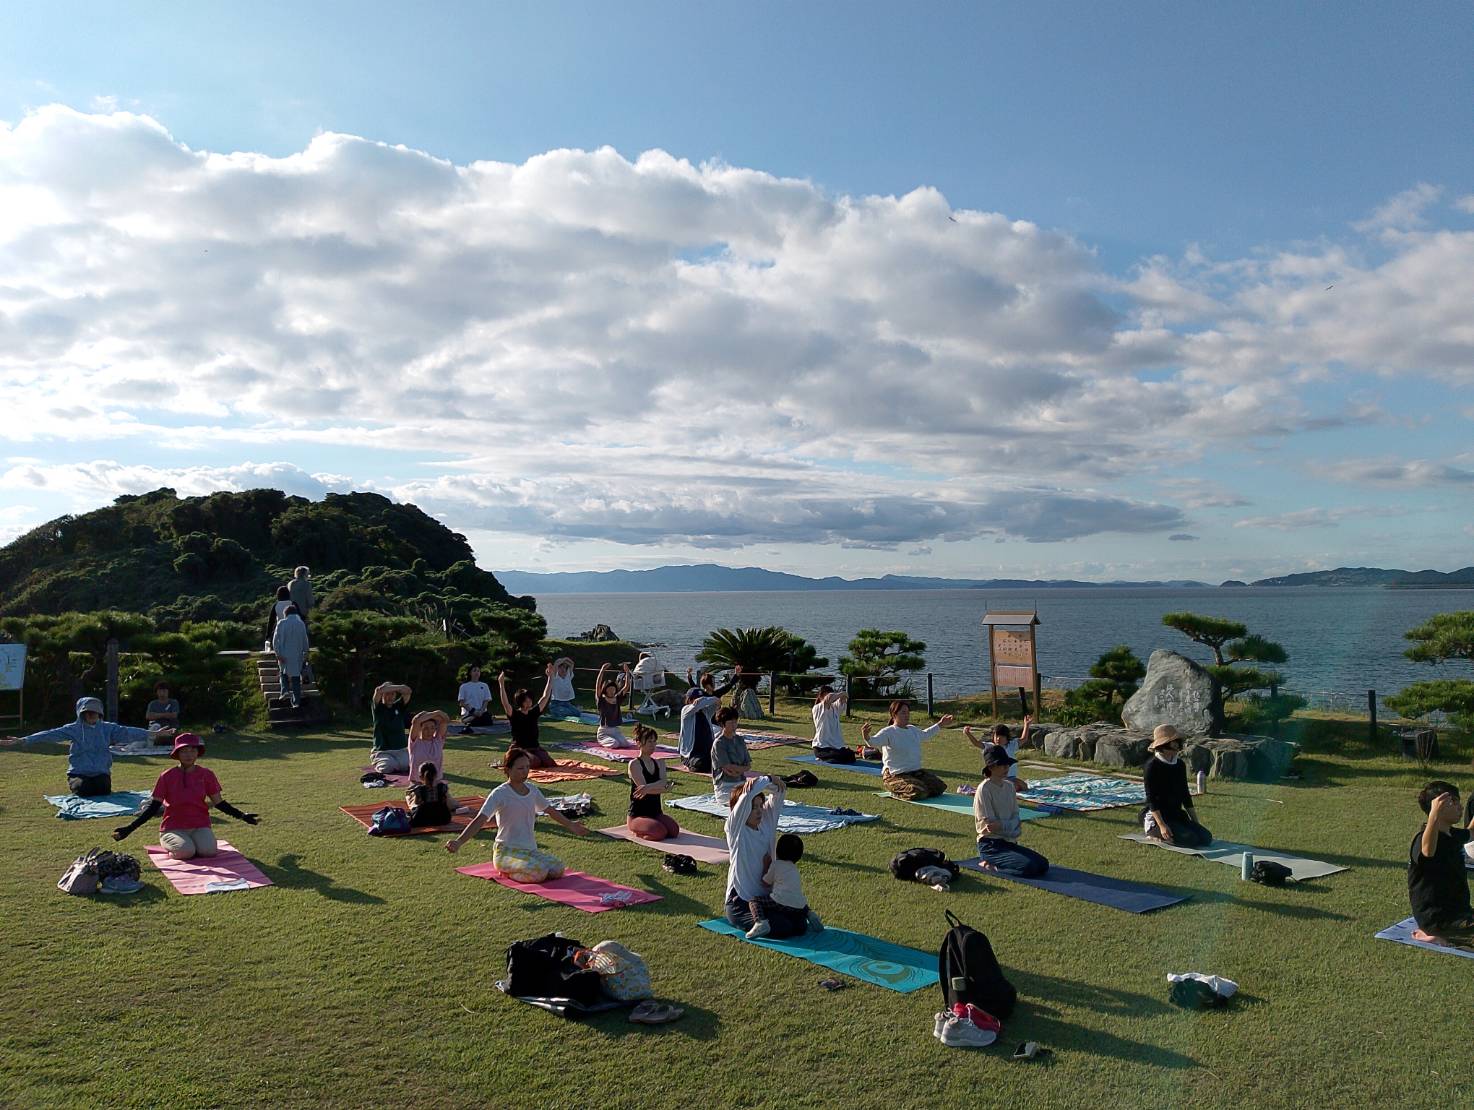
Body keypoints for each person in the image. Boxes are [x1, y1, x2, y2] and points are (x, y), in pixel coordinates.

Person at [446, 748, 590, 881]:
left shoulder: (532, 790)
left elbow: (550, 811)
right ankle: (508, 871)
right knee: (540, 872)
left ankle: (524, 869)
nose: (525, 772)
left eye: (527, 767)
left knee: (558, 869)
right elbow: (480, 820)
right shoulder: (499, 794)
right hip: (505, 852)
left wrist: (571, 825)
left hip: (529, 850)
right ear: (508, 769)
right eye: (520, 768)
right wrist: (459, 842)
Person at [111, 733, 260, 859]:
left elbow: (219, 803)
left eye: (192, 750)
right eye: (184, 751)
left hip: (199, 824)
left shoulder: (207, 774)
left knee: (209, 852)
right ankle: (171, 841)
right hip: (173, 827)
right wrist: (129, 828)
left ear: (197, 753)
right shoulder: (167, 776)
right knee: (186, 852)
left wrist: (242, 816)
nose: (189, 755)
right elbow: (153, 807)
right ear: (177, 754)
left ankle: (190, 843)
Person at [1, 696, 152, 796]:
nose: (91, 715)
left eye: (94, 713)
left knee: (103, 789)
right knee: (84, 789)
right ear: (82, 714)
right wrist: (23, 740)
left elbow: (128, 731)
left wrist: (152, 733)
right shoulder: (73, 729)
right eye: (88, 712)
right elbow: (49, 734)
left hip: (100, 772)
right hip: (79, 772)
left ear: (99, 714)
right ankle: (77, 783)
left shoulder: (107, 728)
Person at [723, 776, 810, 939]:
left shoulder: (766, 824)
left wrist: (773, 781)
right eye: (753, 807)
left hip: (765, 901)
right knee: (783, 927)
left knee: (800, 925)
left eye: (760, 806)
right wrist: (766, 778)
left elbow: (780, 791)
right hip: (741, 903)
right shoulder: (736, 830)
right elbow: (747, 794)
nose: (759, 811)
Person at [1408, 780, 1474, 946]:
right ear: (1438, 806)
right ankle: (1434, 936)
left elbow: (1471, 833)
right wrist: (1434, 815)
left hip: (1461, 914)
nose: (1460, 807)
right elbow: (1428, 851)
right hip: (1439, 920)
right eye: (1454, 802)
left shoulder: (1452, 834)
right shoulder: (1423, 839)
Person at [972, 744, 1048, 877]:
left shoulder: (1009, 786)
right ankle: (992, 866)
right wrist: (1010, 826)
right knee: (1029, 867)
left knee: (1043, 864)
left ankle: (1004, 861)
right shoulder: (984, 789)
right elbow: (991, 826)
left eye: (1007, 764)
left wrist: (1006, 826)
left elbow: (1015, 817)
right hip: (991, 845)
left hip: (1009, 841)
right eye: (1002, 765)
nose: (1006, 768)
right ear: (991, 767)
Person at [862, 702, 956, 801]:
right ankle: (896, 791)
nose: (906, 715)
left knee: (939, 787)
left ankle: (918, 786)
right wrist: (866, 736)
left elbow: (926, 734)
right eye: (903, 713)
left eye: (908, 712)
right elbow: (873, 742)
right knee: (919, 792)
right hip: (895, 775)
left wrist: (940, 724)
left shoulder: (912, 729)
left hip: (915, 773)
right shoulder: (888, 732)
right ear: (894, 715)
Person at [1142, 724, 1212, 847]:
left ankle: (1178, 829)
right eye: (1173, 743)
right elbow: (1151, 798)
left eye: (1177, 742)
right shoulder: (1152, 766)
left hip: (1176, 814)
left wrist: (1195, 822)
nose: (1177, 746)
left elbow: (1185, 794)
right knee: (1190, 840)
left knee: (1206, 838)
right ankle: (1153, 832)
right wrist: (1162, 826)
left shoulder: (1179, 764)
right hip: (1159, 817)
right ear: (1162, 746)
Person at [747, 832, 822, 938]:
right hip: (799, 905)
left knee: (754, 901)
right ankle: (810, 914)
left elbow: (765, 883)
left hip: (780, 901)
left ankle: (760, 922)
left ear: (777, 852)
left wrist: (765, 866)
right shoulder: (794, 868)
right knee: (799, 902)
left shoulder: (776, 865)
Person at [627, 724, 680, 841]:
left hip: (656, 813)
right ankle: (638, 832)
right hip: (637, 815)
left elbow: (662, 782)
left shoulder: (660, 763)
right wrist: (663, 789)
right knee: (660, 833)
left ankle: (651, 826)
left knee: (674, 831)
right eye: (649, 742)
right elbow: (643, 790)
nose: (653, 745)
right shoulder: (634, 764)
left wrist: (649, 787)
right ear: (639, 743)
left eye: (654, 741)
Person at [499, 666, 556, 769]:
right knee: (535, 762)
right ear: (520, 702)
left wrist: (550, 677)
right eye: (526, 701)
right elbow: (505, 703)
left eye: (530, 700)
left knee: (548, 762)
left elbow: (545, 697)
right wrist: (501, 684)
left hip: (534, 747)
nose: (529, 702)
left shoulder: (533, 712)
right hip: (519, 749)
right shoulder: (514, 714)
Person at [963, 715, 1026, 781]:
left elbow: (1023, 739)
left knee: (1022, 784)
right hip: (996, 778)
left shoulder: (1011, 745)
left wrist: (1026, 724)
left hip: (1011, 777)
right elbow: (976, 743)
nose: (998, 738)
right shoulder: (990, 747)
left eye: (1001, 736)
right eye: (997, 736)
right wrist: (968, 733)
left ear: (1007, 737)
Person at [270, 604, 310, 709]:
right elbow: (305, 639)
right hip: (297, 654)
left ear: (285, 614)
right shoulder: (301, 624)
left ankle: (285, 691)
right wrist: (306, 652)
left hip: (284, 653)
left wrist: (277, 653)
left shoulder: (281, 623)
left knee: (283, 673)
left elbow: (275, 640)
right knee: (296, 678)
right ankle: (296, 702)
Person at [711, 706, 751, 803]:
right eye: (731, 723)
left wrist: (738, 771)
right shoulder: (719, 743)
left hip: (741, 782)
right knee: (740, 801)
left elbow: (748, 765)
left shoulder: (740, 740)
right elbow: (727, 767)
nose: (734, 725)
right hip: (725, 786)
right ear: (723, 724)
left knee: (755, 799)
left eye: (735, 722)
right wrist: (739, 770)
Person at [370, 682, 413, 774]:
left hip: (400, 750)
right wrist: (391, 688)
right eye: (387, 694)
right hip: (383, 751)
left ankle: (396, 763)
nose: (390, 697)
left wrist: (396, 687)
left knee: (407, 765)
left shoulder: (399, 706)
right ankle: (381, 760)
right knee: (387, 767)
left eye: (392, 694)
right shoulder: (378, 708)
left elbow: (408, 691)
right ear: (383, 695)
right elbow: (378, 690)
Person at [593, 662, 634, 749]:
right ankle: (601, 740)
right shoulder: (601, 700)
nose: (612, 691)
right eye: (609, 689)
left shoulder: (617, 698)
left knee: (625, 744)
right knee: (614, 744)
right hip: (604, 730)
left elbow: (626, 686)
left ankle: (615, 739)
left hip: (615, 730)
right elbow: (597, 686)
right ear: (605, 690)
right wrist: (602, 670)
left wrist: (627, 672)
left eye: (613, 689)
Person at [679, 687, 720, 772]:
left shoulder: (706, 711)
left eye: (699, 699)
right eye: (695, 699)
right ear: (689, 700)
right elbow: (697, 706)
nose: (698, 701)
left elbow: (717, 701)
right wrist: (702, 700)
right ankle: (689, 764)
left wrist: (703, 699)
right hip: (692, 754)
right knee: (701, 764)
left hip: (707, 751)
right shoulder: (685, 710)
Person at [407, 709, 451, 785]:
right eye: (426, 728)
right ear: (420, 729)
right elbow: (416, 721)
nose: (429, 731)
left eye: (432, 728)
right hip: (417, 783)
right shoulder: (414, 742)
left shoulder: (438, 741)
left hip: (436, 782)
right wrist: (435, 713)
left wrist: (437, 712)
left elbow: (445, 720)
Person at [406, 761, 454, 828]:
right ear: (436, 775)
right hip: (442, 818)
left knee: (412, 813)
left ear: (421, 777)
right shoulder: (443, 787)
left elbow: (417, 803)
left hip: (424, 818)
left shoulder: (419, 789)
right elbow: (445, 800)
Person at [810, 685, 852, 763]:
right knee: (838, 756)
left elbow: (843, 699)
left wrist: (843, 694)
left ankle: (827, 757)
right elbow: (829, 698)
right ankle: (822, 758)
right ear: (822, 695)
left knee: (850, 755)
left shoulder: (835, 708)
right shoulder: (818, 708)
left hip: (835, 746)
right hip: (821, 747)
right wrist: (841, 693)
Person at [456, 665, 496, 734]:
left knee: (488, 721)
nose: (476, 672)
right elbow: (462, 703)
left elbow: (486, 700)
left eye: (478, 671)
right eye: (474, 671)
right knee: (475, 721)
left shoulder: (484, 685)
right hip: (469, 712)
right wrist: (473, 711)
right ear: (470, 673)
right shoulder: (464, 686)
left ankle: (473, 719)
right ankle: (468, 719)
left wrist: (481, 711)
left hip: (482, 712)